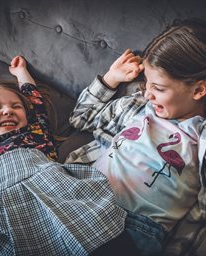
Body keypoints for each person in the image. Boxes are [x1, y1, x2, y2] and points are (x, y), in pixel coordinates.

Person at [0, 56, 131, 255]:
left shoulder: (35, 133)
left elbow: (35, 100)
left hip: (45, 185)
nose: (8, 111)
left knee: (91, 231)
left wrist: (21, 73)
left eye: (16, 106)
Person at [65, 18, 206, 255]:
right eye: (146, 83)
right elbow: (80, 118)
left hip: (134, 226)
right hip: (84, 193)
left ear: (199, 90)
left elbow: (200, 213)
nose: (148, 93)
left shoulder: (199, 137)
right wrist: (111, 78)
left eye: (159, 88)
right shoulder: (137, 106)